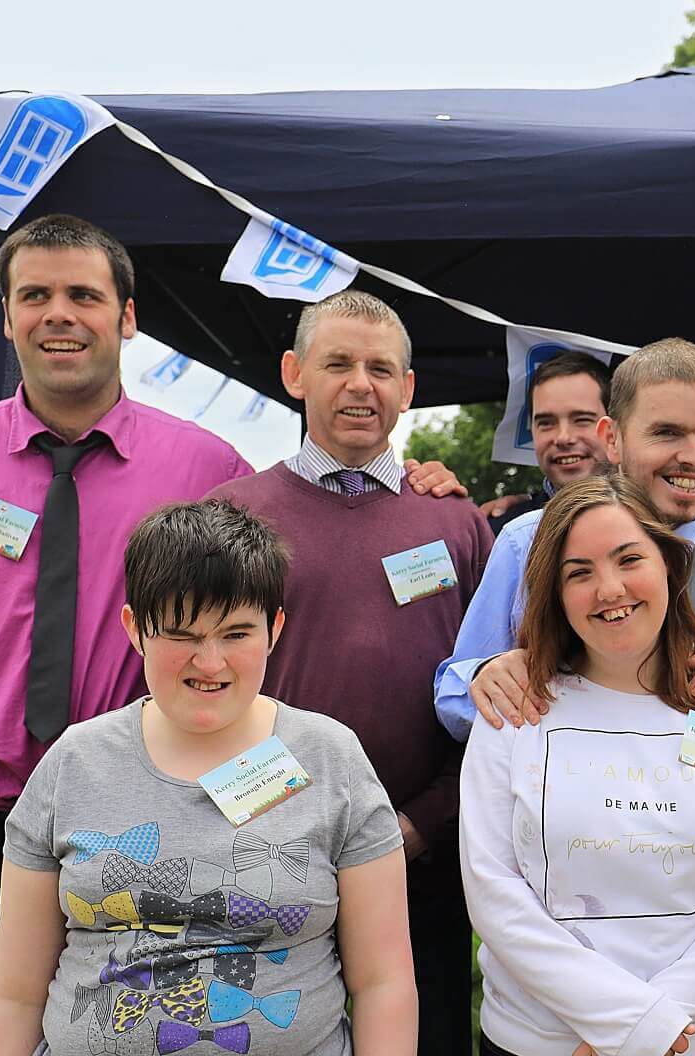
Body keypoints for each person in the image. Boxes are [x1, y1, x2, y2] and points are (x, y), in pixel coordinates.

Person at [0, 214, 455, 1056]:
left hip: (151, 813)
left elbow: (271, 557)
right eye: (36, 296)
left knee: (185, 999)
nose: (61, 313)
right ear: (8, 315)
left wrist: (412, 488)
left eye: (84, 295)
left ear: (127, 318)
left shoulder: (208, 472)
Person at [0, 499, 417, 1055]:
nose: (210, 662)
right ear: (135, 629)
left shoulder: (331, 758)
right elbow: (13, 991)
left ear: (275, 629)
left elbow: (383, 982)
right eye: (181, 634)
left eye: (236, 634)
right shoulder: (73, 763)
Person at [209, 290, 491, 1055]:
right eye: (338, 363)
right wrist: (270, 821)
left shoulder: (458, 524)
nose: (360, 384)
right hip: (269, 852)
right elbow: (197, 690)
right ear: (295, 373)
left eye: (380, 368)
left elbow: (502, 691)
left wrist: (420, 825)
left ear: (408, 389)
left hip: (419, 861)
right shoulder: (230, 516)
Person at [460, 475, 695, 1056]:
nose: (609, 588)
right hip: (545, 1041)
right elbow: (494, 891)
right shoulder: (516, 709)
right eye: (579, 572)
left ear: (669, 563)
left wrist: (658, 1025)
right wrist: (627, 1022)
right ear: (555, 594)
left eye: (628, 558)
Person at [435, 339, 695, 771]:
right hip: (556, 820)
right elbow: (452, 694)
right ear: (612, 439)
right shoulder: (526, 543)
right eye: (667, 433)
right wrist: (484, 680)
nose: (692, 457)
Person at [483, 352, 614, 532]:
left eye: (582, 420)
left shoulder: (656, 520)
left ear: (613, 430)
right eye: (546, 423)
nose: (563, 438)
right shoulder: (500, 533)